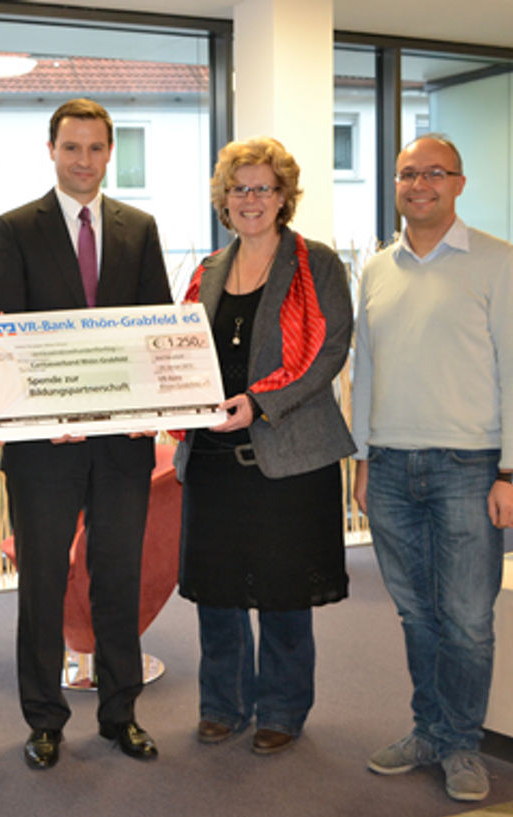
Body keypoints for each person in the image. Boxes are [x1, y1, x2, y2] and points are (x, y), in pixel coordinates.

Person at [0, 97, 172, 770]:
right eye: (72, 147)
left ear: (109, 153)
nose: (83, 160)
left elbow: (153, 331)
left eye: (95, 148)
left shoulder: (139, 228)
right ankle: (44, 721)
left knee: (117, 576)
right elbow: (6, 341)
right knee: (42, 581)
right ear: (52, 150)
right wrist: (45, 417)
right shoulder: (13, 229)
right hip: (45, 451)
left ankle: (121, 714)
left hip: (121, 447)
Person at [352, 134, 513, 802]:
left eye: (434, 173)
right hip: (393, 468)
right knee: (416, 615)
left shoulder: (497, 261)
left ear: (459, 183)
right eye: (407, 174)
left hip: (469, 466)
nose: (419, 184)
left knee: (466, 618)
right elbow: (366, 370)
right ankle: (428, 729)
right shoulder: (376, 270)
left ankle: (461, 743)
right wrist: (364, 459)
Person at [175, 137, 355, 756]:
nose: (251, 199)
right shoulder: (206, 271)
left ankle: (281, 707)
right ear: (224, 199)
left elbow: (329, 350)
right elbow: (178, 353)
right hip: (212, 458)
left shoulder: (317, 263)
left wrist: (259, 403)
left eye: (263, 188)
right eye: (239, 188)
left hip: (289, 456)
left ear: (284, 197)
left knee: (282, 589)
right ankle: (222, 704)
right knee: (218, 589)